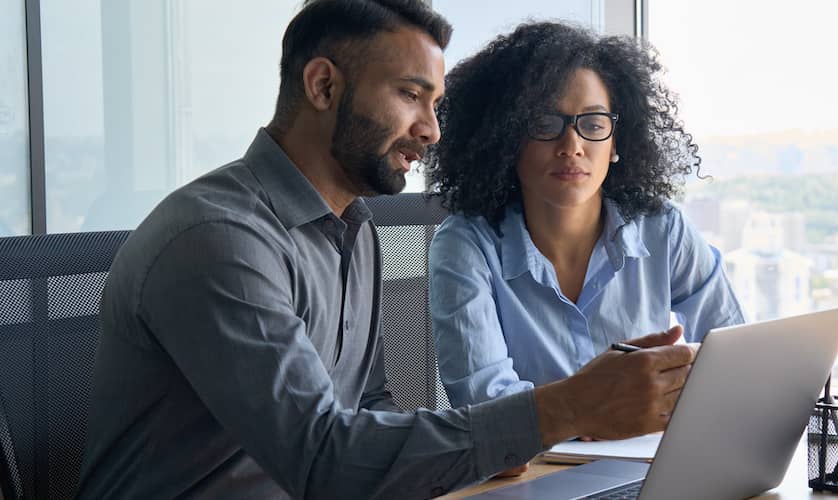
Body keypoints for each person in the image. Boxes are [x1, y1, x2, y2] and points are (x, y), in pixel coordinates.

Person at [77, 2, 696, 499]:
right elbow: (323, 462)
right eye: (410, 94)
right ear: (322, 85)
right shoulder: (219, 241)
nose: (431, 128)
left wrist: (487, 449)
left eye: (435, 104)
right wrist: (566, 407)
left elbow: (367, 408)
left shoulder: (356, 227)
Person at [425, 23, 744, 412]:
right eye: (545, 124)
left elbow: (733, 355)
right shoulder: (465, 245)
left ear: (615, 144)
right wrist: (593, 411)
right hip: (530, 469)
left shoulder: (663, 229)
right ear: (507, 139)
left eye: (593, 125)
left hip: (650, 459)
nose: (572, 146)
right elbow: (485, 405)